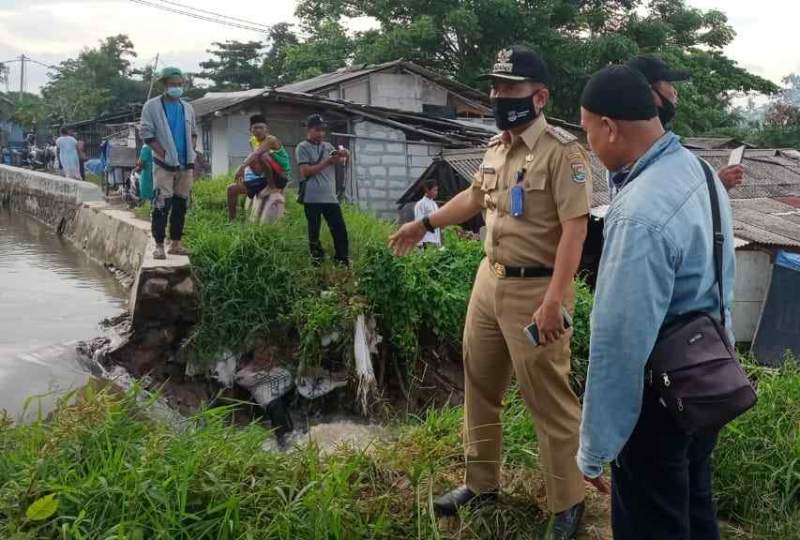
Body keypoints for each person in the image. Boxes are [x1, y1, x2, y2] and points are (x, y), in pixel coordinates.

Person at [390, 46, 592, 539]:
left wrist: (554, 301)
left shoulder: (563, 153)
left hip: (538, 290)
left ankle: (568, 501)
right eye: (496, 87)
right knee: (480, 386)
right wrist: (425, 223)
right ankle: (481, 483)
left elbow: (575, 231)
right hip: (489, 280)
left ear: (539, 97)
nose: (499, 96)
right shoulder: (496, 148)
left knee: (548, 398)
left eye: (510, 88)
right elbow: (474, 197)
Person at [577, 65, 736, 540]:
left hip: (658, 399)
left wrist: (596, 446)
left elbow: (619, 342)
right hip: (706, 375)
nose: (589, 143)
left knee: (653, 522)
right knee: (694, 508)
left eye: (587, 130)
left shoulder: (639, 212)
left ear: (609, 127)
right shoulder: (699, 172)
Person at [626, 55, 745, 192]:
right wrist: (717, 185)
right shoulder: (665, 157)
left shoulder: (625, 153)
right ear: (649, 91)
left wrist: (717, 183)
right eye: (669, 83)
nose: (675, 92)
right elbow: (674, 199)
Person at [140, 67, 198, 260]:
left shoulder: (187, 108)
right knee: (161, 203)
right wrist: (163, 153)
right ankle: (159, 245)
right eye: (173, 84)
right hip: (164, 164)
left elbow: (193, 133)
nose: (177, 87)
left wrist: (191, 153)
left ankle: (176, 244)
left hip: (185, 164)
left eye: (180, 84)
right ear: (165, 85)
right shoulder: (152, 106)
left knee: (181, 204)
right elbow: (146, 133)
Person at [296, 114, 350, 265]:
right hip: (312, 198)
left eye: (322, 130)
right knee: (314, 232)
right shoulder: (302, 147)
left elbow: (342, 162)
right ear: (309, 130)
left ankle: (342, 260)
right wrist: (328, 162)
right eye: (317, 130)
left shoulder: (328, 146)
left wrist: (345, 154)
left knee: (339, 229)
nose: (321, 133)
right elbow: (305, 172)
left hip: (330, 197)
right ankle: (317, 261)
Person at [228, 114, 291, 222]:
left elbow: (257, 154)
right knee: (231, 189)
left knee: (261, 155)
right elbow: (254, 160)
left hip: (280, 177)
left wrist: (241, 167)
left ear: (267, 129)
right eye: (255, 128)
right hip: (263, 176)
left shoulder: (271, 139)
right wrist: (246, 173)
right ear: (250, 130)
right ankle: (231, 222)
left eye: (261, 127)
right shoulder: (252, 140)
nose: (258, 130)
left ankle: (271, 187)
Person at [414, 179, 442, 248]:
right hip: (426, 240)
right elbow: (418, 222)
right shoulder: (420, 204)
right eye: (434, 190)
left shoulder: (434, 204)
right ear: (427, 190)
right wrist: (419, 242)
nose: (436, 192)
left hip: (435, 240)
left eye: (437, 190)